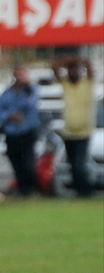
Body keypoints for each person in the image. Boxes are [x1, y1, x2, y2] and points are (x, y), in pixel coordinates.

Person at [52, 53, 95, 198]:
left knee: (79, 164)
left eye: (75, 70)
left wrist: (80, 61)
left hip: (83, 132)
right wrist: (69, 61)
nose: (73, 72)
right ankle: (79, 190)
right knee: (72, 164)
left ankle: (85, 191)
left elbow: (90, 69)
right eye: (71, 70)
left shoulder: (86, 84)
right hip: (69, 133)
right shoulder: (66, 85)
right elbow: (54, 67)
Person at [0, 65, 41, 197]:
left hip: (27, 131)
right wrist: (10, 116)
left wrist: (27, 87)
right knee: (16, 162)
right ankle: (22, 189)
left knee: (28, 163)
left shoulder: (31, 90)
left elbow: (31, 104)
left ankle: (31, 190)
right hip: (12, 133)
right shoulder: (8, 92)